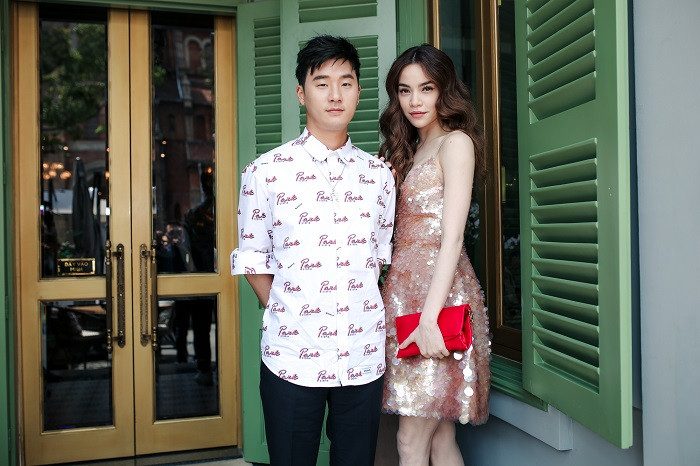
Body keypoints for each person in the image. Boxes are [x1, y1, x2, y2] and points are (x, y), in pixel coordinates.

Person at [231, 35, 396, 465]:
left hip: (362, 354)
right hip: (291, 355)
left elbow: (378, 260)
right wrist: (290, 313)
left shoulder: (379, 176)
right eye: (322, 83)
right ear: (302, 94)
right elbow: (252, 258)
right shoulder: (265, 172)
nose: (335, 94)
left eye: (346, 82)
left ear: (359, 92)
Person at [377, 44, 490, 465]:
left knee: (410, 441)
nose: (415, 101)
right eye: (405, 90)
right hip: (402, 295)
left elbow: (453, 238)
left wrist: (429, 320)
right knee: (440, 438)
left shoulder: (455, 143)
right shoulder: (406, 150)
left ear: (445, 90)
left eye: (426, 88)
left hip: (437, 300)